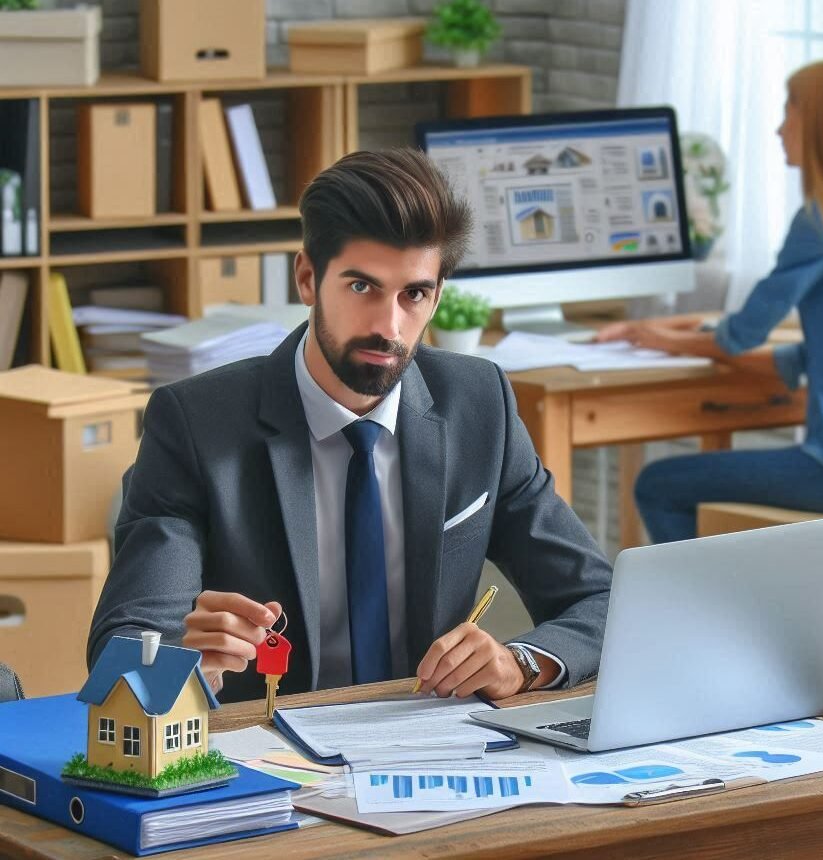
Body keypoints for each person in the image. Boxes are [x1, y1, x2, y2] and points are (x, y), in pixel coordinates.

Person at [88, 148, 613, 704]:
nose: (388, 326)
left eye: (414, 294)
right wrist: (189, 667)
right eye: (362, 287)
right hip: (267, 758)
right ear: (309, 278)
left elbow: (601, 600)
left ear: (436, 297)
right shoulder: (195, 423)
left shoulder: (479, 404)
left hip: (435, 747)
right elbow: (127, 640)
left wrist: (520, 663)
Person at [596, 60, 823, 544]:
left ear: (821, 125)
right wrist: (688, 335)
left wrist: (651, 335)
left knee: (658, 484)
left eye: (790, 110)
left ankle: (701, 617)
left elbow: (741, 334)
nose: (780, 127)